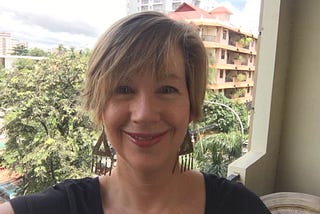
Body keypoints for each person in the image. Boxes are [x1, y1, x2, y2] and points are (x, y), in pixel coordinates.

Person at [0, 11, 270, 214]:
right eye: (124, 88)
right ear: (100, 106)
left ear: (191, 106)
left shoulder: (242, 208)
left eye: (166, 89)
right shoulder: (55, 209)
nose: (144, 114)